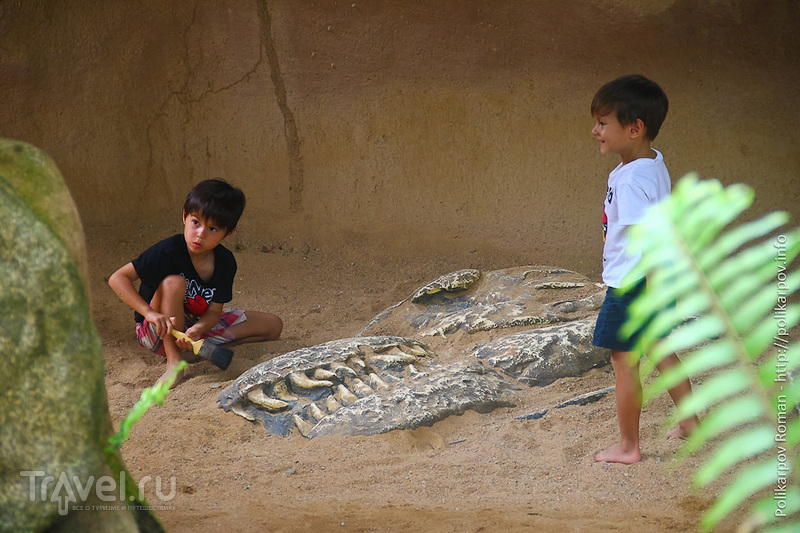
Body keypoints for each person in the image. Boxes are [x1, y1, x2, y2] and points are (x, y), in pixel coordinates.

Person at [590, 74, 699, 464]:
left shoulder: (633, 179)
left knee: (624, 362)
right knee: (662, 349)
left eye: (604, 123)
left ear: (634, 129)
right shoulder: (651, 163)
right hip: (655, 280)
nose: (595, 130)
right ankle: (690, 422)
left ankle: (628, 446)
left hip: (634, 284)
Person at [108, 178, 283, 387]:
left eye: (213, 229)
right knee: (174, 283)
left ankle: (196, 348)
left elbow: (214, 312)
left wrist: (198, 328)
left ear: (229, 233)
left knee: (273, 326)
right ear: (184, 216)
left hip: (193, 327)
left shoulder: (225, 262)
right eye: (196, 223)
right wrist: (150, 313)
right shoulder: (167, 251)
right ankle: (175, 362)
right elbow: (117, 278)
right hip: (158, 329)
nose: (200, 234)